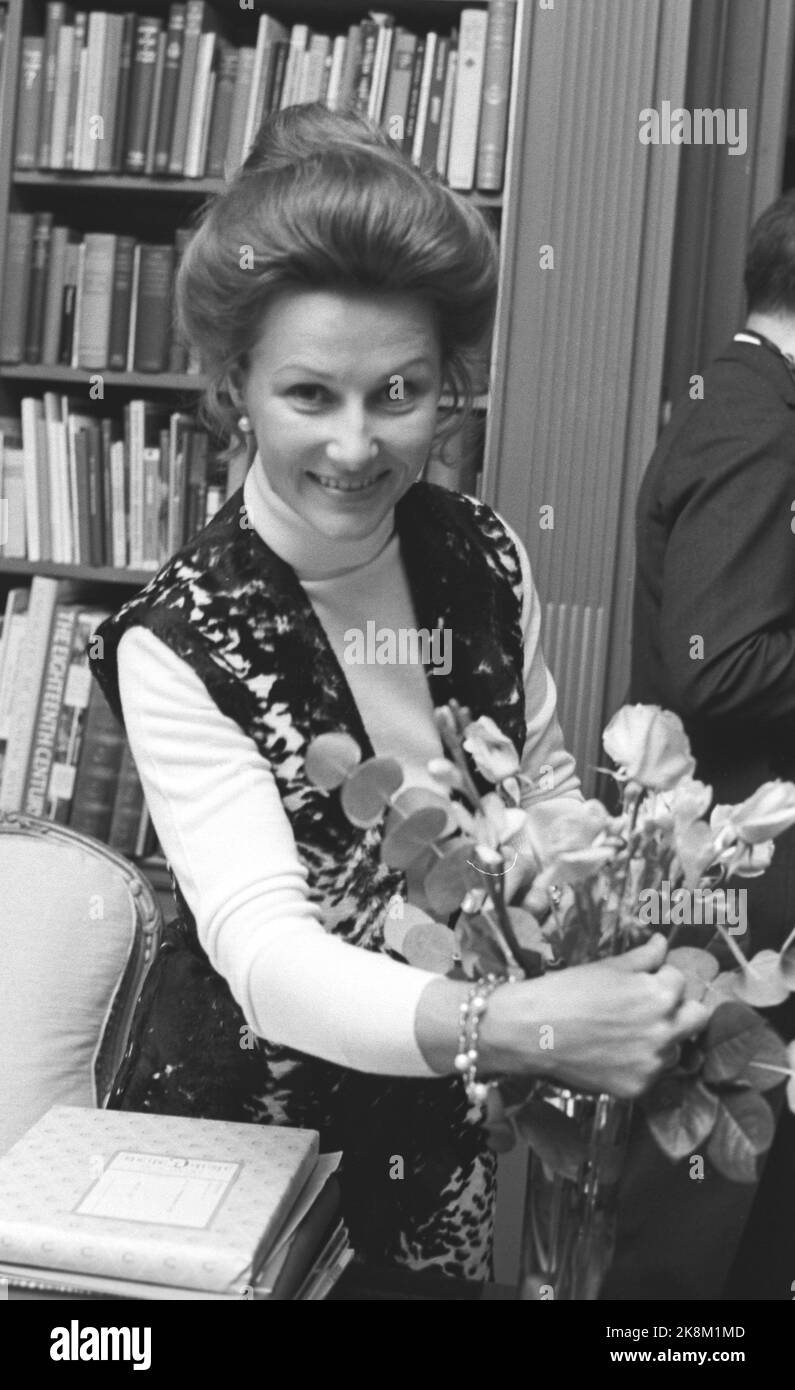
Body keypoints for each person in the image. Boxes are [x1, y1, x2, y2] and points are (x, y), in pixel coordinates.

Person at [89, 104, 705, 1281]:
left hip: (438, 1134)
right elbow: (267, 957)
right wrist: (528, 1028)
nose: (359, 444)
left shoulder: (482, 551)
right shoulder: (175, 637)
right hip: (246, 1160)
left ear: (448, 385)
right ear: (237, 389)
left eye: (402, 391)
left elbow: (546, 789)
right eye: (310, 395)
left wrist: (583, 906)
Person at [612, 190, 795, 1301]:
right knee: (696, 1238)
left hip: (736, 895)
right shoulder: (757, 418)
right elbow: (716, 662)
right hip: (730, 901)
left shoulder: (752, 404)